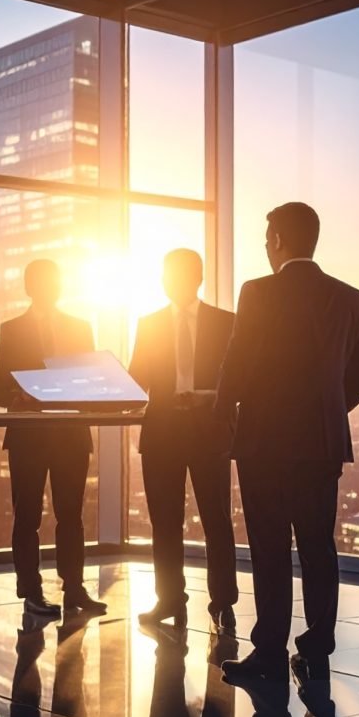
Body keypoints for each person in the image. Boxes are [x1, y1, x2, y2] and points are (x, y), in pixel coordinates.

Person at [217, 203, 359, 689]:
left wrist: (228, 415)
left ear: (281, 240)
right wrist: (327, 412)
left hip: (264, 441)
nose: (266, 247)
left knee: (268, 549)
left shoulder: (257, 292)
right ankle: (317, 649)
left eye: (268, 239)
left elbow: (238, 364)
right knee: (317, 547)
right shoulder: (349, 296)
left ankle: (269, 652)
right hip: (322, 443)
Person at [0, 259, 106, 617]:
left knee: (71, 516)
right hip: (29, 437)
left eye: (55, 281)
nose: (50, 287)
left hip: (71, 436)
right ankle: (31, 591)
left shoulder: (80, 328)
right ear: (29, 287)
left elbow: (90, 381)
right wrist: (20, 396)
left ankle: (74, 589)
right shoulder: (12, 329)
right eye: (42, 281)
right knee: (27, 516)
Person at [130, 249, 238, 633]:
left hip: (209, 431)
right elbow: (136, 376)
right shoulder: (149, 323)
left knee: (216, 520)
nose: (166, 281)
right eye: (164, 274)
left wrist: (208, 396)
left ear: (196, 277)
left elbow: (237, 379)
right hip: (161, 432)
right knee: (164, 521)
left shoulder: (225, 323)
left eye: (172, 274)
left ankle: (223, 602)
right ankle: (169, 598)